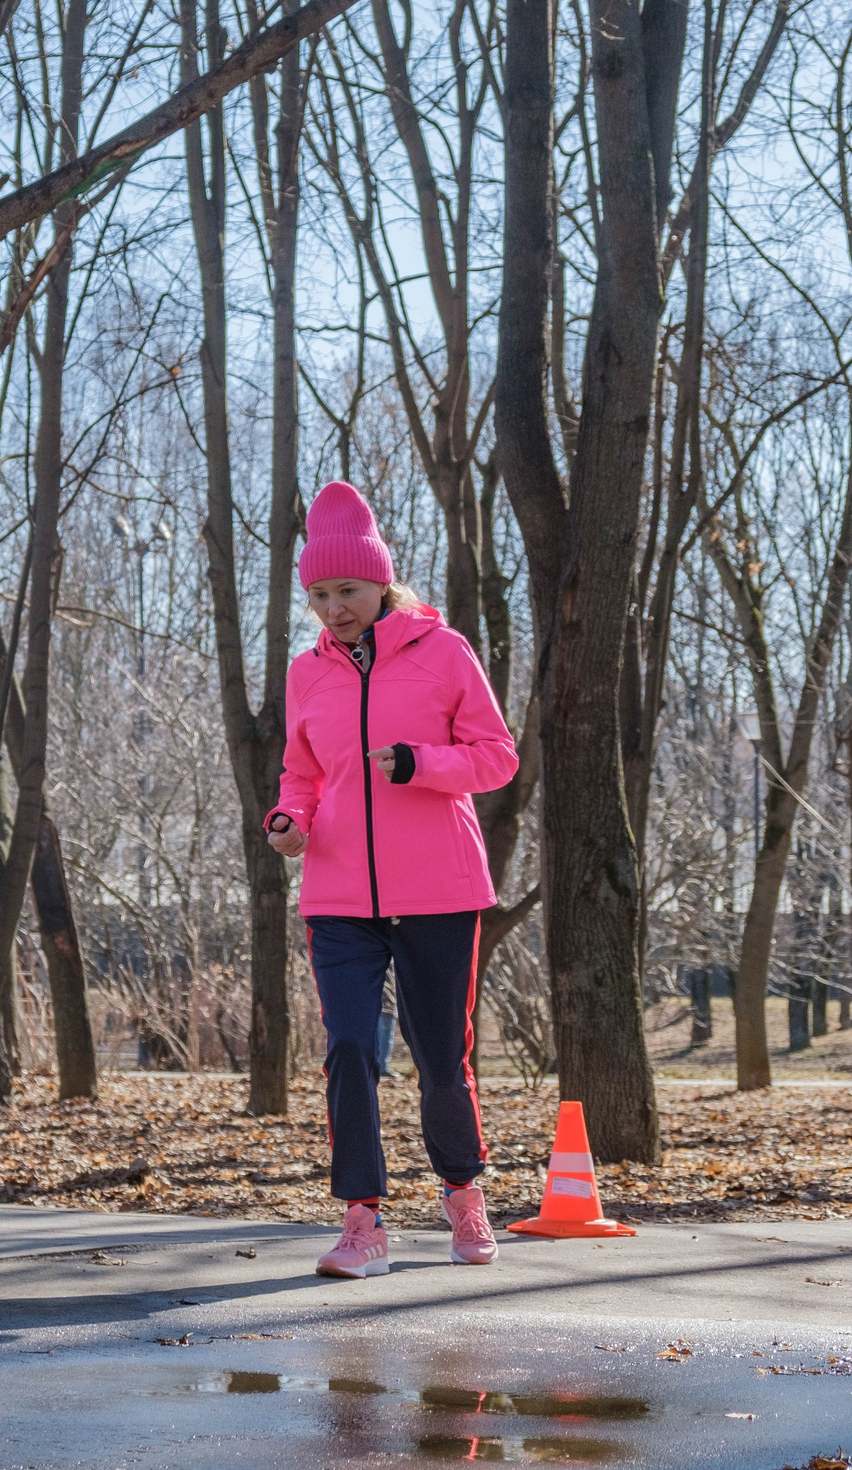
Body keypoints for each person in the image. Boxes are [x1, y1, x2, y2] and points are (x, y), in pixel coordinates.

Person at [264, 481, 517, 1279]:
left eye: (347, 590)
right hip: (339, 895)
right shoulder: (308, 673)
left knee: (441, 1055)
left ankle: (462, 1191)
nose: (334, 607)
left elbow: (495, 757)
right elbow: (299, 773)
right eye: (319, 594)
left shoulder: (444, 652)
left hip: (439, 891)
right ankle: (362, 1220)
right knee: (347, 1048)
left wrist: (420, 765)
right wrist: (289, 819)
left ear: (382, 583)